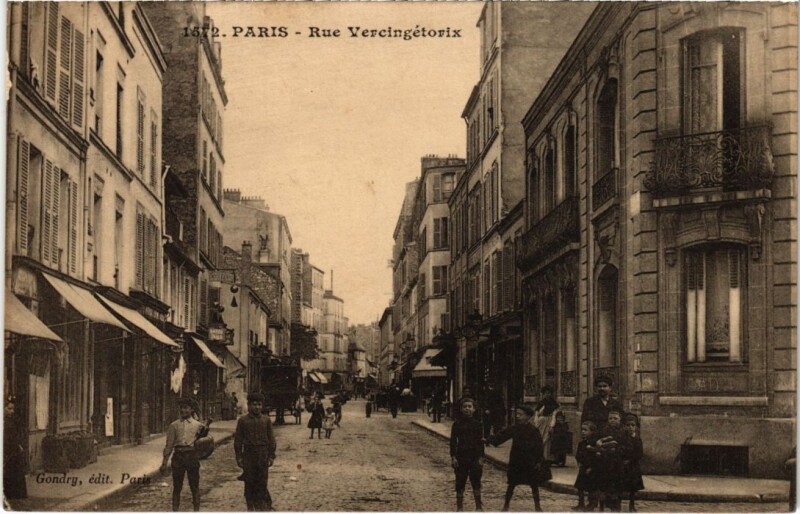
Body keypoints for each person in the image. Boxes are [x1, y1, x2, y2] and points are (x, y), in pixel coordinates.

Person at [487, 404, 549, 512]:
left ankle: (538, 507)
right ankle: (506, 506)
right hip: (517, 461)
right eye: (517, 414)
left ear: (528, 416)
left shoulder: (533, 430)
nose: (517, 416)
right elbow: (502, 435)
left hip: (530, 462)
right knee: (511, 485)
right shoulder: (515, 428)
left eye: (520, 414)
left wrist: (539, 461)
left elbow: (539, 446)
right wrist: (489, 440)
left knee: (534, 485)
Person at [161, 397, 206, 511]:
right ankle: (175, 510)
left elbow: (203, 444)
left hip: (191, 457)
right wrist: (164, 463)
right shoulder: (174, 426)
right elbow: (169, 445)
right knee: (177, 487)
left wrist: (203, 434)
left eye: (186, 408)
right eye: (181, 408)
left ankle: (197, 510)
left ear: (191, 410)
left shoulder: (198, 426)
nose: (182, 410)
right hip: (178, 458)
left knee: (194, 486)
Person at [234, 392, 277, 511]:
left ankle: (264, 507)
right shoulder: (243, 421)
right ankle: (250, 507)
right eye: (254, 404)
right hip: (249, 455)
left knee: (262, 483)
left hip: (262, 455)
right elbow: (238, 441)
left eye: (259, 404)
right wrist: (239, 457)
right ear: (248, 405)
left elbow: (271, 439)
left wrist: (271, 456)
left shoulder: (266, 420)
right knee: (249, 483)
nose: (257, 407)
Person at [450, 398, 485, 512]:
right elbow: (453, 441)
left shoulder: (478, 424)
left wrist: (481, 457)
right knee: (460, 481)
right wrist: (453, 457)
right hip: (461, 456)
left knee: (476, 481)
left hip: (474, 456)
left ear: (474, 409)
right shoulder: (457, 424)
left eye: (470, 406)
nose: (467, 409)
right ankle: (460, 507)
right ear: (461, 409)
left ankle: (478, 507)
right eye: (464, 407)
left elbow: (480, 442)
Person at [594, 409, 625, 511]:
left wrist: (617, 449)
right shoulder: (604, 431)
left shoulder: (623, 432)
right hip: (605, 462)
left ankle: (616, 506)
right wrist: (602, 447)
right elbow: (598, 443)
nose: (612, 420)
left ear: (620, 420)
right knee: (604, 485)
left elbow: (626, 446)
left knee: (616, 486)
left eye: (615, 418)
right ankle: (602, 506)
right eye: (610, 418)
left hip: (617, 463)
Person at [4, 396, 27, 501]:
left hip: (14, 448)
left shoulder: (13, 420)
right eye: (9, 409)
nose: (12, 411)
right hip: (7, 449)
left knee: (15, 470)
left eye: (13, 409)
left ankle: (16, 493)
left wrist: (19, 445)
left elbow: (16, 434)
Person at [573, 421, 599, 512]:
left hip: (591, 469)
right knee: (580, 486)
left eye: (586, 430)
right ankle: (581, 503)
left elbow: (596, 458)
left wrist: (591, 467)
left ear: (592, 432)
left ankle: (591, 504)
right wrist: (579, 462)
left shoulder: (595, 444)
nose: (583, 432)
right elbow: (578, 455)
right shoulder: (582, 443)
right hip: (583, 467)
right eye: (582, 430)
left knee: (591, 488)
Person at [620, 414, 644, 512]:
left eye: (632, 425)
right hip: (623, 465)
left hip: (633, 466)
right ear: (624, 426)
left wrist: (630, 459)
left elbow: (640, 453)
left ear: (636, 427)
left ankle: (632, 504)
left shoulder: (637, 439)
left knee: (633, 488)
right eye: (628, 425)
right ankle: (617, 503)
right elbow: (620, 450)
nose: (630, 427)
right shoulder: (622, 438)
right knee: (620, 485)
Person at [533, 385, 561, 463]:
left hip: (551, 420)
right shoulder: (541, 402)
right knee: (541, 438)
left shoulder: (554, 402)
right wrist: (536, 420)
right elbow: (536, 412)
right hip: (542, 421)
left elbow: (557, 411)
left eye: (549, 393)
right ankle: (540, 456)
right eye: (546, 393)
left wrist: (553, 420)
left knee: (548, 438)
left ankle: (547, 457)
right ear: (543, 394)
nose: (547, 394)